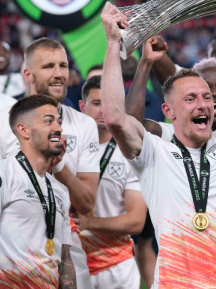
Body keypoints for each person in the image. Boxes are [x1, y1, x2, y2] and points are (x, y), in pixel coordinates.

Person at [100, 2, 216, 288]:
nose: (204, 104)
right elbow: (115, 117)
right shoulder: (153, 151)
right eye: (191, 99)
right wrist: (113, 43)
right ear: (168, 111)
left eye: (207, 97)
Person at [0, 37, 100, 289]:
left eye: (63, 66)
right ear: (28, 74)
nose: (59, 74)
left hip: (67, 252)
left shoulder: (84, 124)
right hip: (13, 259)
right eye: (48, 66)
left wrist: (59, 167)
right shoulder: (0, 122)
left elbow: (86, 203)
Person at [0, 95, 77, 288]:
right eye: (48, 121)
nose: (58, 128)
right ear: (23, 130)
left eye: (58, 121)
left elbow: (65, 258)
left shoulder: (60, 191)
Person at [73, 75, 146, 289]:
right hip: (74, 264)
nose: (103, 111)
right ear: (82, 106)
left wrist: (88, 223)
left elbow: (136, 221)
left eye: (108, 104)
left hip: (117, 268)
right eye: (96, 103)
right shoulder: (66, 151)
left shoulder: (130, 155)